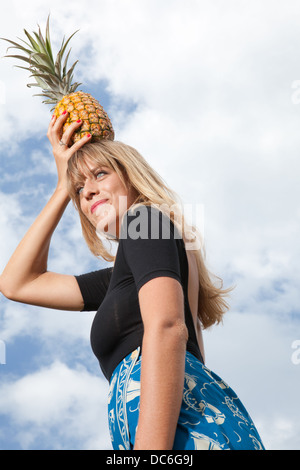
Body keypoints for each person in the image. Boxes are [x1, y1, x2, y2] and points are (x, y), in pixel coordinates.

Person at [0, 112, 265, 451]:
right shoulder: (130, 269)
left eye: (100, 174)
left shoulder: (144, 219)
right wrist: (61, 188)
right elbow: (16, 283)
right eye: (80, 189)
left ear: (131, 176)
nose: (88, 192)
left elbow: (168, 327)